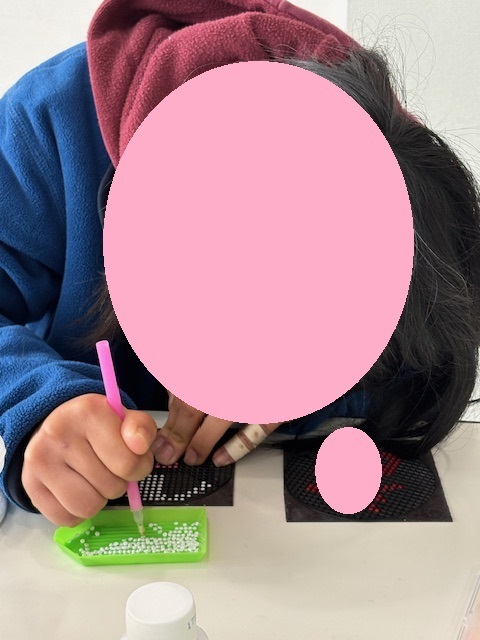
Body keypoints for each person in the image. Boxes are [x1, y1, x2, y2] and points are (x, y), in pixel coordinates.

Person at [1, 0, 479, 528]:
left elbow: (425, 369)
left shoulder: (395, 172)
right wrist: (39, 402)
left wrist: (309, 386)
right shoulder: (49, 126)